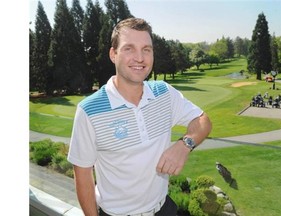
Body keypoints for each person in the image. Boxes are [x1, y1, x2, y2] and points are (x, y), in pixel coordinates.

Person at [68, 17, 212, 216]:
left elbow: (203, 120)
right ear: (113, 54)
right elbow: (83, 175)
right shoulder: (89, 110)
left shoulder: (164, 92)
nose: (140, 58)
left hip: (164, 209)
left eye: (146, 49)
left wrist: (185, 145)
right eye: (129, 49)